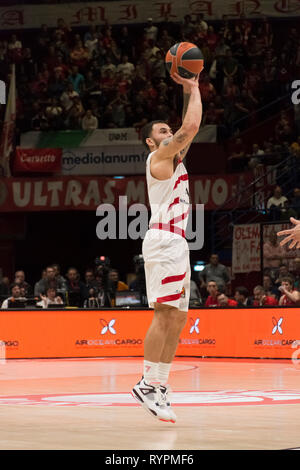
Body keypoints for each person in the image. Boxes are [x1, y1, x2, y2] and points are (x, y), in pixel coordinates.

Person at [131, 71, 202, 423]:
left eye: (167, 131)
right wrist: (193, 87)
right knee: (164, 313)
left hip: (177, 242)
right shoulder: (158, 159)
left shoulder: (175, 159)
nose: (169, 134)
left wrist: (192, 93)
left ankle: (159, 384)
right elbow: (188, 130)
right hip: (163, 239)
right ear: (150, 143)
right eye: (162, 132)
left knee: (179, 317)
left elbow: (190, 129)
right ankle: (146, 381)